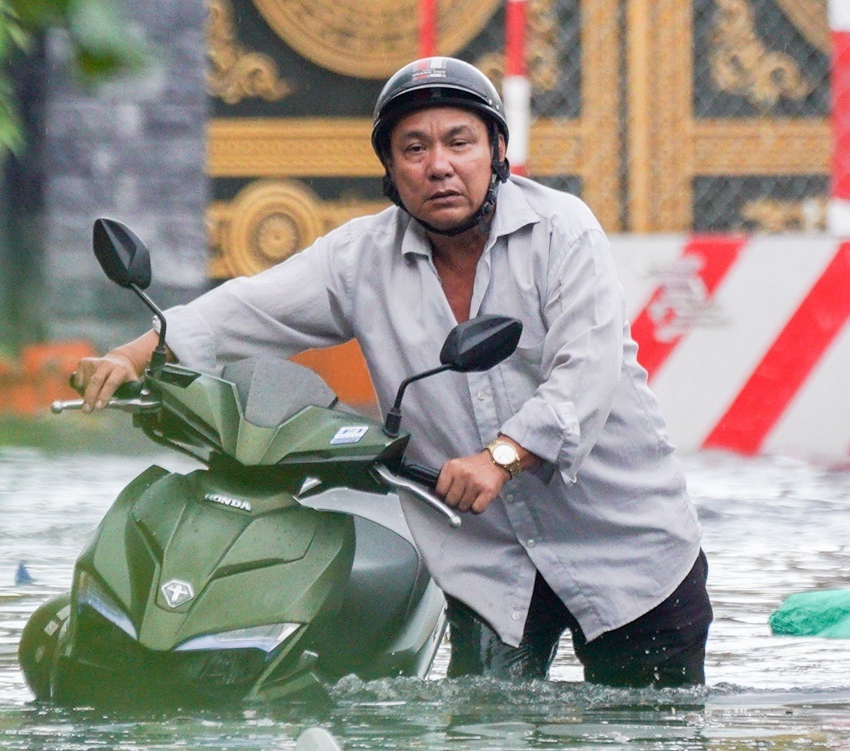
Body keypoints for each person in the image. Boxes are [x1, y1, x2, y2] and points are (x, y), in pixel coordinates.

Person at [73, 57, 711, 687]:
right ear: (391, 170)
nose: (439, 164)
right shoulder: (358, 258)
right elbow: (246, 308)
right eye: (414, 148)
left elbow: (586, 373)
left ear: (496, 151)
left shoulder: (562, 232)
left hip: (628, 549)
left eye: (459, 142)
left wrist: (502, 455)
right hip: (486, 561)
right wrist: (134, 355)